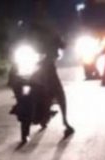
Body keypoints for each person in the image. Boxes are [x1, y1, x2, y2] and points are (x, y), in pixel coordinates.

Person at [20, 0, 75, 138]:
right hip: (31, 62)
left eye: (41, 5)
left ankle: (65, 122)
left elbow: (59, 41)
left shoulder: (50, 24)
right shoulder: (28, 22)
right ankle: (20, 104)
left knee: (59, 91)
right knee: (16, 78)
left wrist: (60, 44)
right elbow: (20, 40)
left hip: (46, 63)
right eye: (37, 4)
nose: (39, 7)